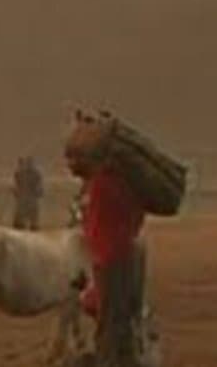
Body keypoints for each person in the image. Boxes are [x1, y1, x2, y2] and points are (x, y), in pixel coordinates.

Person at [67, 137, 147, 366]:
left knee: (109, 320)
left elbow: (90, 222)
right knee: (120, 318)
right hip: (120, 255)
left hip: (108, 259)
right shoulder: (124, 184)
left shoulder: (102, 184)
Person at [12, 155, 44, 230]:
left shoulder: (22, 173)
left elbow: (39, 185)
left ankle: (30, 225)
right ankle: (26, 225)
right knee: (23, 217)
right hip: (26, 197)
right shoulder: (20, 173)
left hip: (28, 197)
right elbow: (17, 184)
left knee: (30, 217)